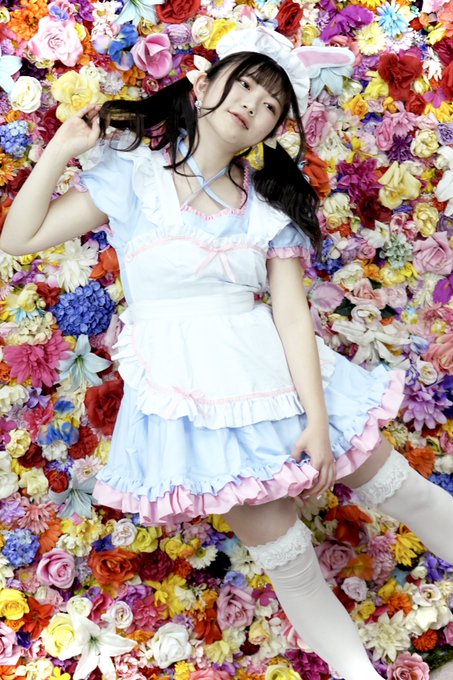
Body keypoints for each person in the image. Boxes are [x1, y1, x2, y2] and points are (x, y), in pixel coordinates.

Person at [2, 26, 452, 680]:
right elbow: (19, 237)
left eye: (270, 104)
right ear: (203, 84)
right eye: (243, 84)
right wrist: (59, 151)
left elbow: (292, 318)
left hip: (283, 381)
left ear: (273, 127)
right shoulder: (135, 175)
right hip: (197, 407)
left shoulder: (266, 204)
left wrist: (318, 422)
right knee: (292, 566)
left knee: (407, 494)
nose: (251, 105)